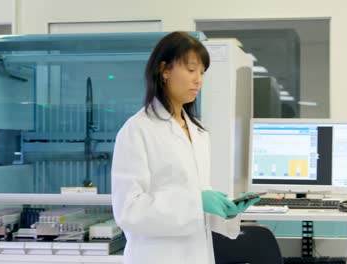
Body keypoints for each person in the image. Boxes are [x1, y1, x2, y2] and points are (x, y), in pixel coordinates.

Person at [111, 31, 260, 264]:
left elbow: (197, 204)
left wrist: (227, 211)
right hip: (156, 256)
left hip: (197, 254)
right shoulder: (137, 130)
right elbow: (129, 211)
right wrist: (196, 201)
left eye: (202, 72)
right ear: (164, 69)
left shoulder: (198, 132)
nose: (198, 79)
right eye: (191, 70)